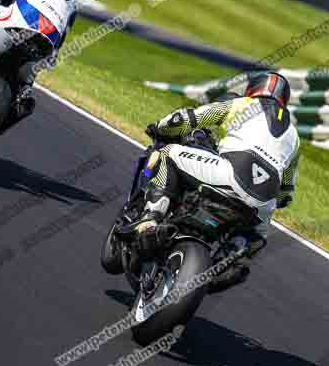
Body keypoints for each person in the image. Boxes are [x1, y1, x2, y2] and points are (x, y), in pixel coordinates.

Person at [127, 71, 300, 263]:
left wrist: (161, 127)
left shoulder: (243, 104)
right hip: (262, 204)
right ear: (284, 99)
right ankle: (234, 257)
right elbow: (285, 192)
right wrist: (279, 199)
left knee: (168, 153)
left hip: (228, 175)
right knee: (257, 235)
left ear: (252, 89)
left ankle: (150, 219)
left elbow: (189, 119)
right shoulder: (294, 136)